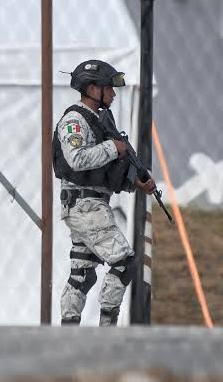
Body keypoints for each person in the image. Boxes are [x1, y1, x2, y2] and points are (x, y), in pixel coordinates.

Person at [53, 60, 156, 327]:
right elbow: (76, 159)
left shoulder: (99, 121)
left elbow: (104, 171)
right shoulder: (75, 121)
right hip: (85, 205)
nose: (113, 94)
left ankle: (68, 327)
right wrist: (113, 148)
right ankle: (107, 326)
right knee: (124, 262)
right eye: (108, 88)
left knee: (82, 274)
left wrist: (135, 182)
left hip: (91, 204)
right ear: (92, 89)